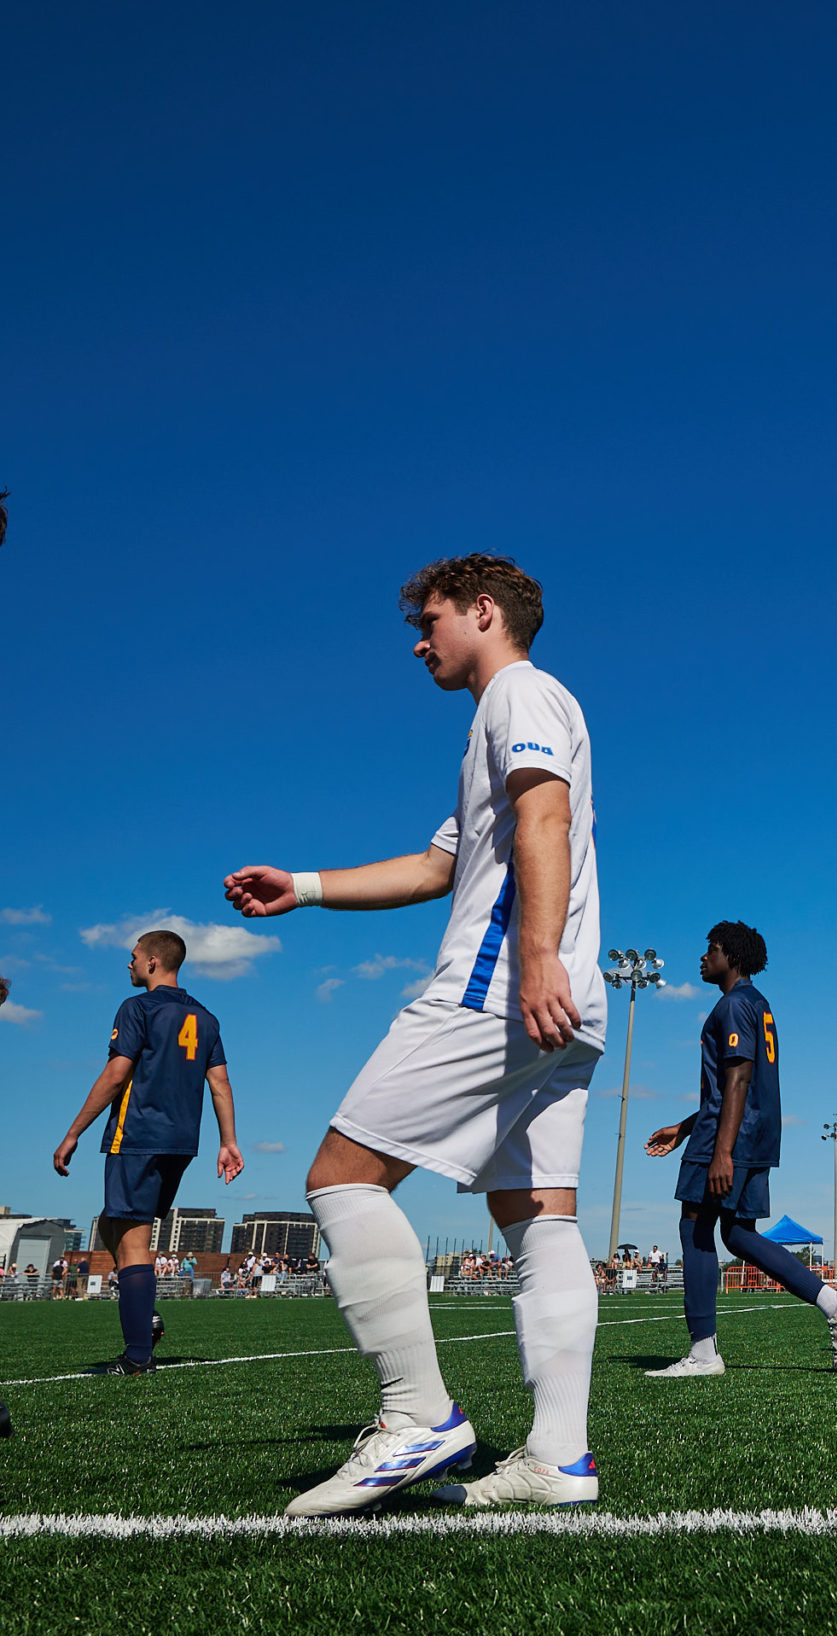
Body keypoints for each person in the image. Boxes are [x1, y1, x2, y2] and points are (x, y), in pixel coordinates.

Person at [224, 553, 605, 1514]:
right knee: (536, 1214)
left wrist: (538, 955)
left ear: (484, 611)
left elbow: (544, 816)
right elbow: (437, 868)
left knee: (340, 1175)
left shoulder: (515, 691)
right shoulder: (514, 715)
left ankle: (418, 1415)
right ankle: (559, 1455)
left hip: (501, 986)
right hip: (563, 999)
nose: (418, 639)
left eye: (429, 618)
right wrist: (304, 887)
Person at [643, 923, 837, 1377]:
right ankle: (830, 1301)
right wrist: (683, 1128)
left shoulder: (734, 1003)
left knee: (696, 1228)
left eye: (712, 950)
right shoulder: (758, 1004)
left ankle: (703, 1353)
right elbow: (732, 1085)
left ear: (733, 958)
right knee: (737, 1234)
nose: (704, 957)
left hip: (731, 1139)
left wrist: (720, 1151)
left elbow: (738, 1078)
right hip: (754, 1135)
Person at [52, 931, 243, 1374]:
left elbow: (117, 1074)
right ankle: (146, 1315)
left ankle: (138, 1356)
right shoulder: (206, 1017)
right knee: (114, 1225)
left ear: (153, 962)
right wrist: (228, 1141)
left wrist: (73, 1132)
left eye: (134, 957)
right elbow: (220, 1084)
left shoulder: (137, 1008)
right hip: (181, 1143)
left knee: (133, 1239)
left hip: (136, 1135)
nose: (129, 964)